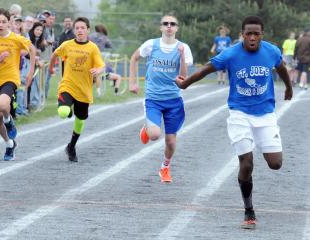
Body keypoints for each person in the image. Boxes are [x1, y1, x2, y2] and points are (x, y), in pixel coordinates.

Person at [175, 16, 292, 229]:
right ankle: (249, 211)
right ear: (242, 34)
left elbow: (282, 68)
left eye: (257, 34)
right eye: (249, 33)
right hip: (239, 114)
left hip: (265, 114)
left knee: (276, 164)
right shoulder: (231, 53)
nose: (253, 37)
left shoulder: (272, 51)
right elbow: (205, 70)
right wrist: (186, 84)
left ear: (262, 35)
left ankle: (250, 200)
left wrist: (289, 87)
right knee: (246, 164)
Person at [129, 14, 193, 183]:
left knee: (171, 142)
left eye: (172, 24)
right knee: (155, 135)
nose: (169, 26)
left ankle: (165, 167)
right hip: (153, 98)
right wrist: (133, 82)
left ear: (177, 28)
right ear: (161, 27)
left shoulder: (183, 48)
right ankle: (148, 128)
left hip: (173, 100)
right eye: (166, 24)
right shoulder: (151, 44)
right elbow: (134, 58)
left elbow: (184, 78)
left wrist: (180, 57)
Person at [0, 8, 36, 161]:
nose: (0, 24)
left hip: (10, 78)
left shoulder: (16, 38)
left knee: (4, 105)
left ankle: (9, 121)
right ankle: (9, 144)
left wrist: (31, 72)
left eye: (3, 22)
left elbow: (32, 49)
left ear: (9, 24)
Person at [48, 17, 105, 162]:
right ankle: (68, 107)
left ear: (88, 30)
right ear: (74, 30)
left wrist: (97, 71)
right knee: (63, 112)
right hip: (67, 85)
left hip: (84, 90)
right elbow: (55, 54)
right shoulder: (67, 45)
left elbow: (101, 66)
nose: (80, 30)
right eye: (77, 28)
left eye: (83, 28)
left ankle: (71, 146)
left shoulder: (92, 48)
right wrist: (50, 68)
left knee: (80, 120)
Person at [89, 24, 122, 96]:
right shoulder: (104, 37)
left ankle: (94, 92)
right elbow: (111, 47)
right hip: (101, 65)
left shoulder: (90, 36)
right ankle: (114, 91)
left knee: (95, 77)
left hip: (90, 60)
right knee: (101, 73)